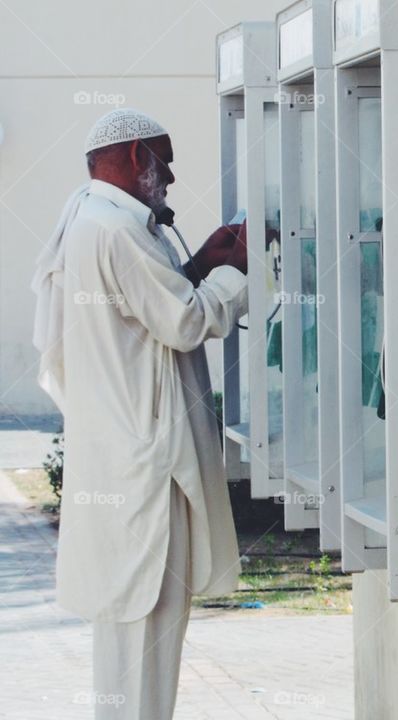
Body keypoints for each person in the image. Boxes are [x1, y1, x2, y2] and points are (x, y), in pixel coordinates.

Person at [31, 108, 249, 719]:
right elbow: (183, 322)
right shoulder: (115, 228)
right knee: (145, 630)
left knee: (139, 635)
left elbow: (150, 307)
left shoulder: (97, 219)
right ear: (135, 157)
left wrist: (200, 264)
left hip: (131, 461)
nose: (172, 178)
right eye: (166, 160)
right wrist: (239, 272)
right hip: (147, 471)